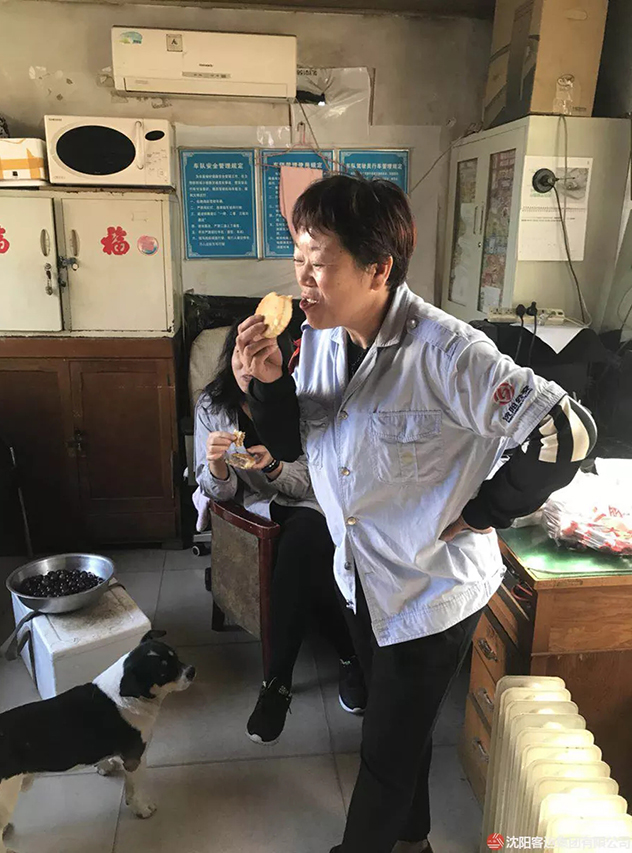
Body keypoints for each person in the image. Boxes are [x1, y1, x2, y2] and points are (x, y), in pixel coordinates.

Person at [235, 175, 597, 853]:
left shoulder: (447, 352)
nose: (302, 280)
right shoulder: (319, 336)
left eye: (320, 263)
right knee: (399, 732)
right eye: (297, 260)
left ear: (379, 268)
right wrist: (268, 385)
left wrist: (487, 509)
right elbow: (297, 443)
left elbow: (565, 431)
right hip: (365, 579)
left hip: (430, 591)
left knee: (384, 757)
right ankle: (415, 840)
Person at [194, 321, 367, 745]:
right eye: (241, 355)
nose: (248, 367)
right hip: (254, 506)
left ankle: (277, 682)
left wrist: (272, 466)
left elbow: (311, 481)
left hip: (307, 501)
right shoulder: (212, 406)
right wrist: (217, 466)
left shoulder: (304, 402)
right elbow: (217, 490)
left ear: (282, 361)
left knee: (304, 539)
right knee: (307, 555)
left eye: (261, 356)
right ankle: (349, 656)